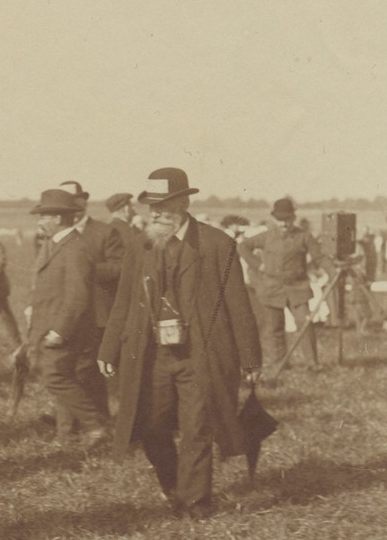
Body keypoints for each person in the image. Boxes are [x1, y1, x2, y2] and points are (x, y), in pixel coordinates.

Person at [98, 168, 262, 520]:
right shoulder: (140, 246)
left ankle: (196, 503)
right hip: (152, 354)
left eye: (164, 205)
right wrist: (108, 348)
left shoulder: (218, 244)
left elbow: (239, 304)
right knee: (151, 427)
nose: (155, 213)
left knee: (196, 427)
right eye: (151, 206)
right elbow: (124, 301)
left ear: (184, 203)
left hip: (202, 354)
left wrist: (250, 356)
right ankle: (175, 487)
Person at [24, 188, 109, 447]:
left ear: (58, 218)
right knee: (63, 376)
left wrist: (60, 330)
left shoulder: (74, 248)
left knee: (54, 376)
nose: (39, 221)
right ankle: (65, 434)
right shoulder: (55, 244)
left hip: (64, 329)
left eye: (43, 216)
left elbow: (78, 295)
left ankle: (96, 425)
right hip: (48, 324)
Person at [238, 196, 328, 374]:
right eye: (280, 220)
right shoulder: (266, 236)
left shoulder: (304, 236)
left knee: (305, 324)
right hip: (272, 288)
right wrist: (258, 264)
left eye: (287, 220)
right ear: (274, 219)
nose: (283, 224)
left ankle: (312, 363)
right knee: (274, 328)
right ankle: (278, 363)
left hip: (298, 288)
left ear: (293, 218)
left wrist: (333, 272)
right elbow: (243, 246)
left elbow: (320, 256)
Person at [65, 182, 123, 423]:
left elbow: (120, 267)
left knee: (96, 371)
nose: (70, 206)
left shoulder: (104, 232)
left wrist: (87, 271)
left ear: (83, 202)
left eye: (74, 201)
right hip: (67, 314)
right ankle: (74, 420)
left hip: (97, 314)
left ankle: (104, 419)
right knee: (69, 369)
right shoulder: (57, 234)